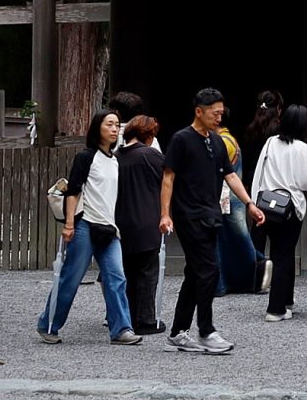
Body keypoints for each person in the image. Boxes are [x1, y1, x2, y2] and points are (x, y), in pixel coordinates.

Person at [158, 88, 265, 354]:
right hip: (188, 215)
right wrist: (164, 213)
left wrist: (250, 203)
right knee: (208, 270)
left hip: (210, 214)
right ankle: (205, 330)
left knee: (195, 273)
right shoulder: (181, 140)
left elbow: (230, 176)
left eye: (221, 113)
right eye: (214, 113)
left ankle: (178, 332)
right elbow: (168, 178)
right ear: (199, 111)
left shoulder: (217, 142)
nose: (219, 117)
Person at [38, 111, 140, 344]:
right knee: (71, 277)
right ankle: (49, 324)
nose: (114, 129)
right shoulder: (86, 157)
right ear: (98, 128)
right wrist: (69, 224)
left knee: (117, 277)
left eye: (117, 125)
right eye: (109, 125)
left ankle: (121, 329)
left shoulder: (115, 160)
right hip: (85, 224)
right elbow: (73, 191)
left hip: (109, 227)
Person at [249, 103, 307, 321]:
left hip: (267, 204)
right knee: (283, 256)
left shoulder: (270, 143)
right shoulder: (302, 149)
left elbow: (259, 172)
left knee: (278, 254)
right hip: (289, 207)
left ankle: (286, 301)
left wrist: (253, 203)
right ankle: (276, 308)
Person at [114, 114, 166, 337]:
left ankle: (126, 318)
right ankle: (145, 319)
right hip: (146, 219)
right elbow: (168, 181)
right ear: (148, 134)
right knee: (147, 273)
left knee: (126, 272)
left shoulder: (116, 156)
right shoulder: (151, 156)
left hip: (120, 220)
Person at [217, 94, 268, 296]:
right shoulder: (229, 140)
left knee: (238, 239)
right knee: (230, 239)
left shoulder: (223, 142)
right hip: (233, 198)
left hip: (228, 198)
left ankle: (258, 268)